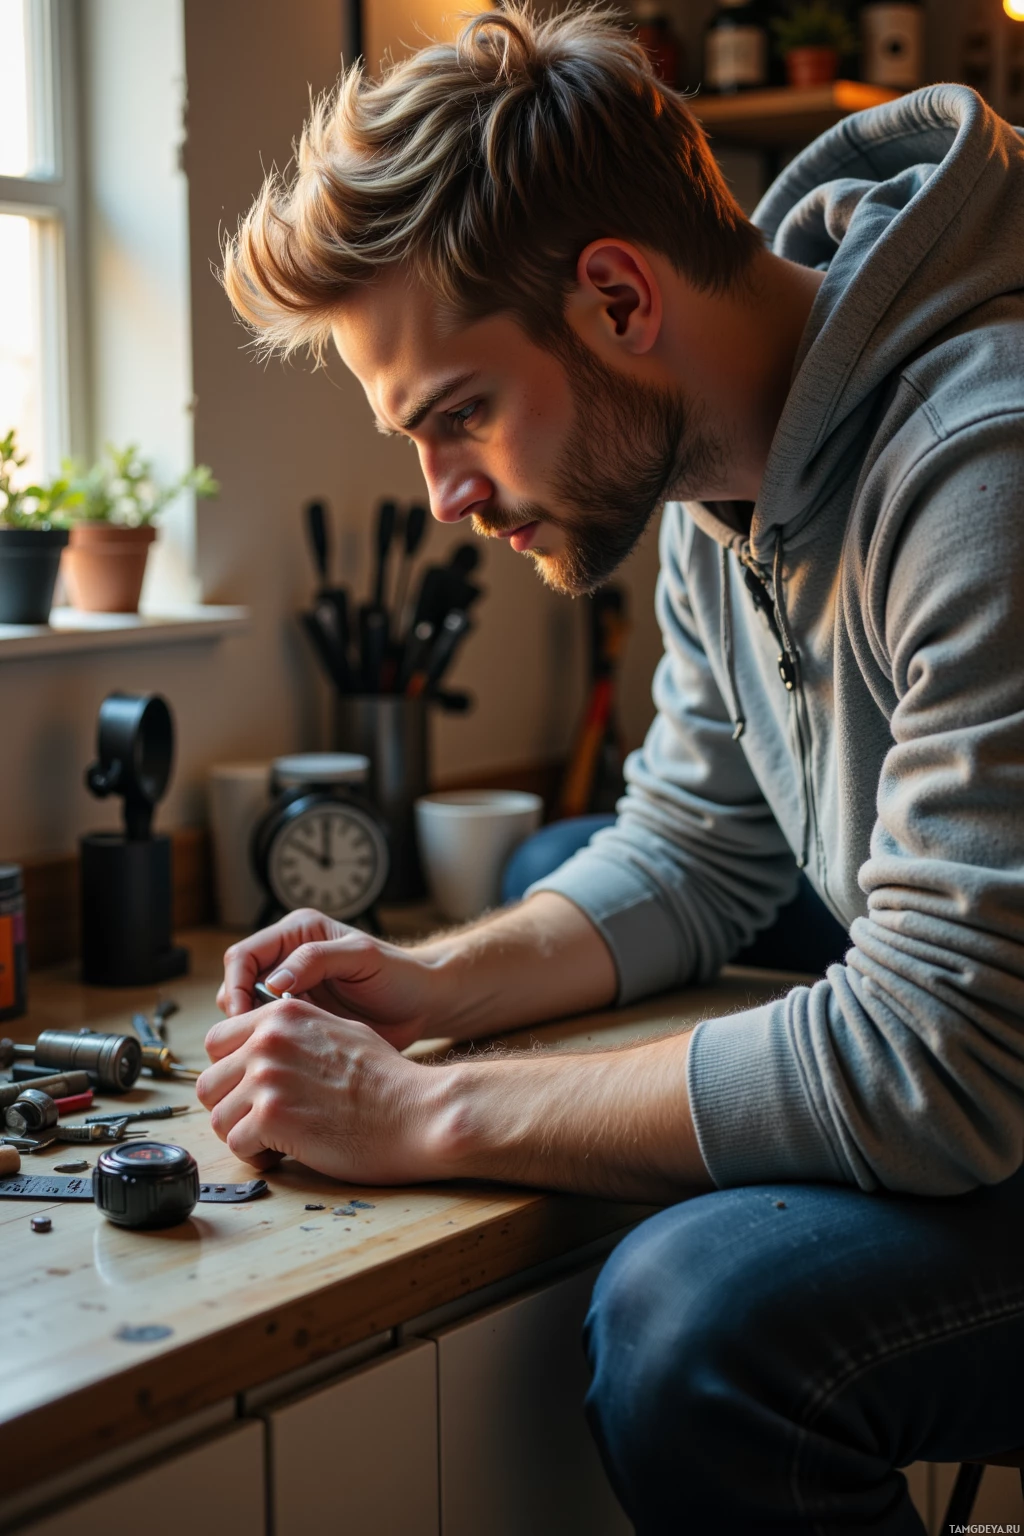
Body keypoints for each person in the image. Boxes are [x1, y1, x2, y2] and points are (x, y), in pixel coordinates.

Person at [202, 7, 1024, 1530]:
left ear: (617, 296)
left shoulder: (988, 467)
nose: (443, 493)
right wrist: (430, 986)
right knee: (534, 883)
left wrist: (429, 1115)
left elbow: (942, 1069)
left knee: (693, 1324)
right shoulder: (730, 474)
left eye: (458, 415)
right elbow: (701, 849)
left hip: (994, 1069)